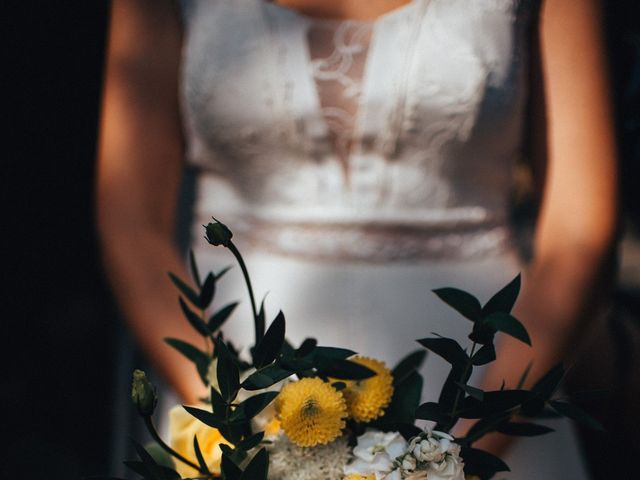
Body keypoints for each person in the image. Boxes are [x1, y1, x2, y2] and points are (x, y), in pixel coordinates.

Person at [96, 0, 617, 478]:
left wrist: (462, 450)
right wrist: (235, 422)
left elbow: (580, 230)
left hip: (486, 383)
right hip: (234, 384)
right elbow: (131, 220)